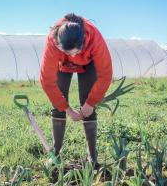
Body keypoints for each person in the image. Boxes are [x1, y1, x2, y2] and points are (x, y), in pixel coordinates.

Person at [40, 13, 113, 165]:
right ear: (59, 44)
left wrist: (90, 103)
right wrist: (66, 108)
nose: (73, 55)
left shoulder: (94, 38)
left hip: (88, 64)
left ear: (83, 43)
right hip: (63, 64)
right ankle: (56, 153)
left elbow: (105, 75)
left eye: (76, 52)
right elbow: (47, 82)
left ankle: (92, 158)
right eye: (69, 52)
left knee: (87, 106)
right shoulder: (53, 41)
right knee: (58, 105)